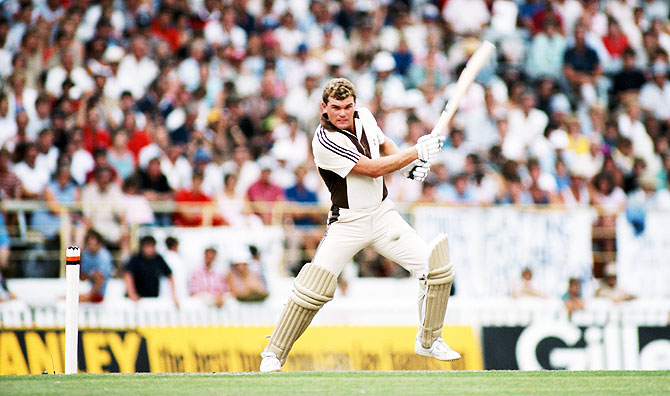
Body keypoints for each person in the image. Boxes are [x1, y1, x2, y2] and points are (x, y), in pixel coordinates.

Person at [260, 78, 454, 372]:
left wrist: (408, 165)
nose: (342, 113)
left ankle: (429, 340)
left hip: (383, 215)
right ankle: (274, 352)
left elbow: (384, 145)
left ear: (355, 104)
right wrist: (416, 152)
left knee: (435, 269)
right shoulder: (324, 140)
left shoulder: (364, 116)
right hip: (347, 222)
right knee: (313, 288)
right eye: (336, 107)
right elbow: (371, 168)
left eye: (348, 106)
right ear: (324, 107)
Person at [122, 235, 179, 308]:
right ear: (142, 247)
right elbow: (128, 276)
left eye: (152, 246)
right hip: (137, 301)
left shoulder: (158, 259)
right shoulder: (136, 259)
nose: (150, 249)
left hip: (152, 299)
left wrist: (173, 295)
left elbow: (170, 275)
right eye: (148, 246)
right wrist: (132, 294)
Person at [80, 230, 113, 303]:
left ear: (99, 244)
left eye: (94, 244)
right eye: (89, 244)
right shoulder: (86, 254)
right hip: (89, 290)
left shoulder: (104, 256)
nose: (92, 247)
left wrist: (90, 296)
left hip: (100, 294)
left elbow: (101, 279)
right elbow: (82, 276)